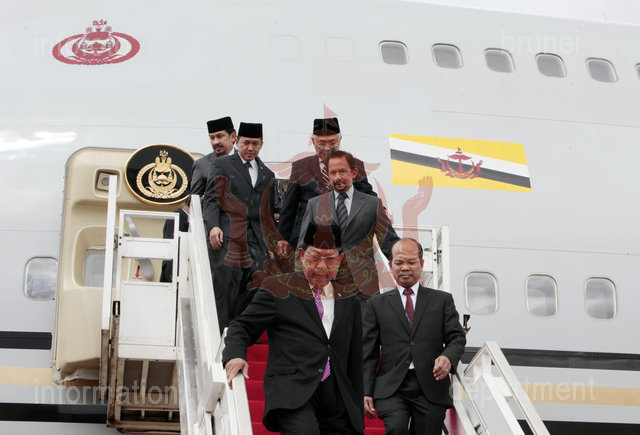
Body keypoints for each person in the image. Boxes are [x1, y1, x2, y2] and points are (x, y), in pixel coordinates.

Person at [223, 222, 364, 434]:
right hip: (292, 389)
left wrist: (356, 409)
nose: (322, 266)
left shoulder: (349, 298)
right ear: (301, 255)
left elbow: (355, 358)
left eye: (330, 259)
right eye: (315, 257)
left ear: (340, 259)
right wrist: (235, 355)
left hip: (336, 395)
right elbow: (242, 326)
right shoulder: (278, 288)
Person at [362, 238, 466, 435]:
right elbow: (368, 352)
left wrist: (448, 357)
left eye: (411, 262)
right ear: (391, 266)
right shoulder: (376, 305)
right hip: (392, 386)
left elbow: (457, 338)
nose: (405, 267)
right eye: (399, 263)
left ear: (422, 263)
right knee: (396, 428)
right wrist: (366, 390)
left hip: (431, 384)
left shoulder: (442, 301)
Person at [202, 122, 276, 331]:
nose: (250, 147)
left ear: (261, 145)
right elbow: (212, 199)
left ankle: (238, 329)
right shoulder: (223, 165)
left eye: (255, 143)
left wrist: (270, 243)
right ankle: (220, 332)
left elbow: (267, 214)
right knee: (226, 285)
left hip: (256, 241)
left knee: (260, 282)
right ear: (237, 141)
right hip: (228, 236)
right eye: (246, 143)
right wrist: (213, 226)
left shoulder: (268, 174)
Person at [297, 150, 398, 297]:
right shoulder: (315, 205)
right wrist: (300, 286)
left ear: (354, 173)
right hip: (327, 286)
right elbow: (303, 248)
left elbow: (389, 243)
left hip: (364, 287)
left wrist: (408, 264)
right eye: (333, 173)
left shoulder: (372, 205)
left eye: (342, 171)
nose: (337, 177)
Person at [277, 117, 375, 255]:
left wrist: (381, 210)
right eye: (322, 143)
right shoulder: (300, 167)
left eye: (332, 142)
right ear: (313, 141)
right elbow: (289, 207)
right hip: (307, 238)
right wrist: (282, 238)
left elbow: (367, 195)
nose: (327, 147)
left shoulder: (355, 164)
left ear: (340, 140)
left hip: (344, 237)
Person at [190, 116, 236, 196]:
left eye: (219, 136)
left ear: (233, 136)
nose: (215, 142)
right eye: (212, 138)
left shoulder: (247, 161)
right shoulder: (201, 165)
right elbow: (194, 199)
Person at [159, 197, 190, 283]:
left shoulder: (181, 218)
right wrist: (174, 274)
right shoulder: (176, 219)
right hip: (173, 273)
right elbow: (173, 247)